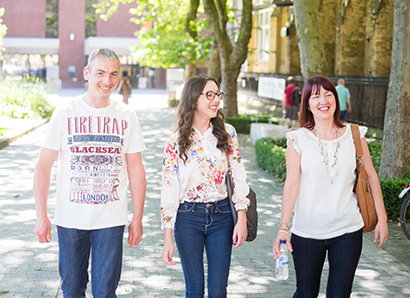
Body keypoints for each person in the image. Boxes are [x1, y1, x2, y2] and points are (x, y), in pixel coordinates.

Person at [33, 48, 146, 298]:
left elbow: (136, 168)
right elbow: (43, 166)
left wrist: (137, 217)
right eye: (101, 73)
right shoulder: (65, 113)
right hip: (70, 218)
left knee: (105, 291)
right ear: (87, 73)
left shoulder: (127, 116)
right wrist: (41, 216)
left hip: (111, 219)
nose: (107, 81)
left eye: (114, 74)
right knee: (72, 289)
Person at [272, 75, 388, 298]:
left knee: (340, 294)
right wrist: (283, 227)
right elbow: (291, 185)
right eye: (315, 96)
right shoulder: (298, 139)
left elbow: (371, 178)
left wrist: (382, 219)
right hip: (307, 232)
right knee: (306, 293)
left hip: (347, 230)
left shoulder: (355, 134)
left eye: (328, 94)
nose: (323, 100)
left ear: (336, 99)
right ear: (307, 103)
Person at [161, 74, 251, 298]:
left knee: (218, 290)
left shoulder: (227, 133)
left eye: (217, 94)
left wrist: (242, 218)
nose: (216, 100)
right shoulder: (175, 142)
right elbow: (169, 191)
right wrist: (167, 238)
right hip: (187, 217)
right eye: (209, 95)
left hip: (221, 216)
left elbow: (239, 176)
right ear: (193, 99)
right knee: (194, 290)